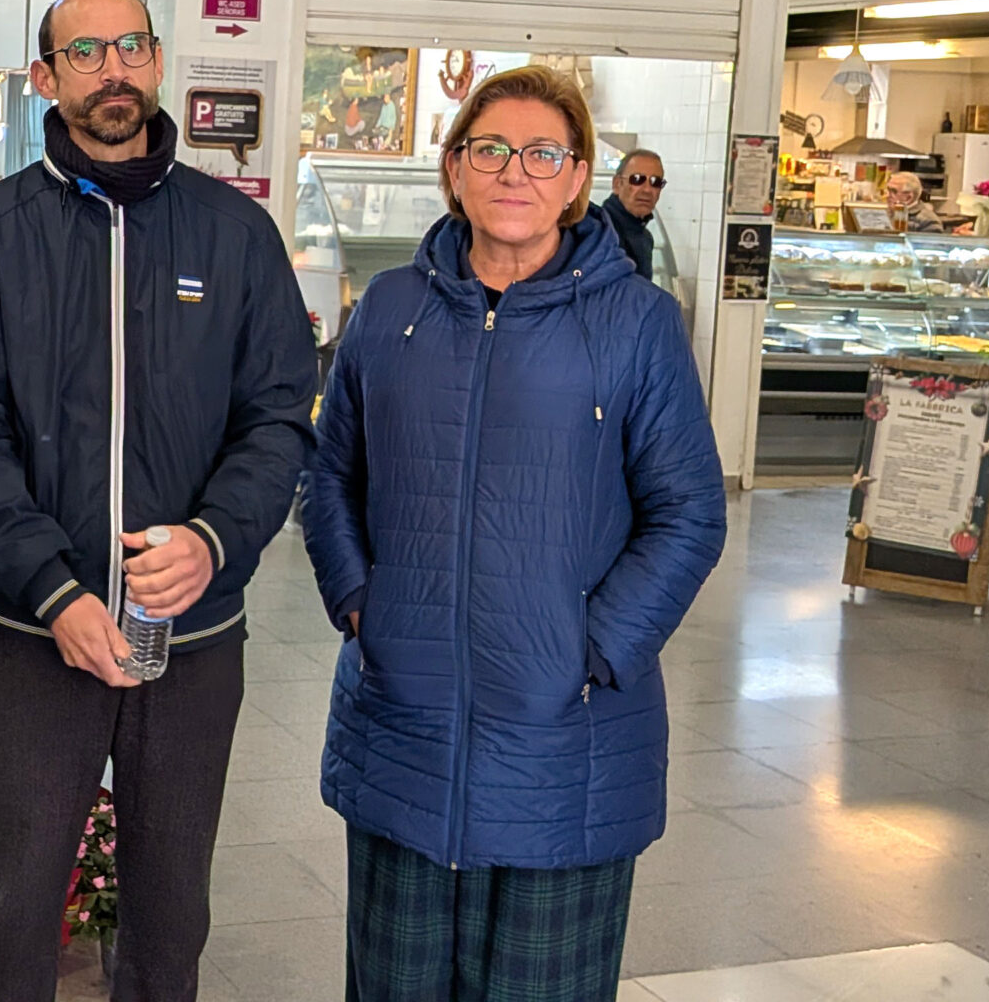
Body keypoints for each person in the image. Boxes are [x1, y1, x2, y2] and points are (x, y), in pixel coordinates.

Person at [0, 0, 315, 1002]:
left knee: (171, 910)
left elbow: (277, 415)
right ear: (47, 78)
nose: (113, 69)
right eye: (86, 52)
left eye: (131, 45)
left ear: (156, 59)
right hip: (34, 633)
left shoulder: (234, 233)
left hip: (185, 637)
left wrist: (215, 540)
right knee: (14, 905)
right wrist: (52, 588)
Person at [301, 66, 725, 1002]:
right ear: (455, 169)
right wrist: (363, 607)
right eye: (490, 150)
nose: (514, 173)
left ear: (578, 179)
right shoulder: (389, 311)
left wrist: (595, 649)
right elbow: (330, 473)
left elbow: (690, 512)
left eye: (543, 153)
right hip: (401, 721)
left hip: (564, 739)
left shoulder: (638, 324)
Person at [600, 147, 663, 281]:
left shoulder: (645, 238)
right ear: (617, 184)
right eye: (637, 179)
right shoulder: (600, 231)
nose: (647, 190)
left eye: (655, 182)